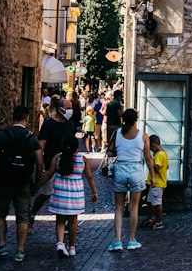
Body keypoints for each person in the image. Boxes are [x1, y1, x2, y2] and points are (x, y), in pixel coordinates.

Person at [0, 104, 43, 263]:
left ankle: (2, 245)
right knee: (23, 216)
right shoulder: (31, 138)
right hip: (23, 182)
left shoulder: (2, 136)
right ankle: (20, 250)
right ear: (26, 118)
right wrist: (37, 181)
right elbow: (39, 162)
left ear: (13, 117)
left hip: (4, 180)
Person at [41, 131, 97, 257]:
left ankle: (60, 244)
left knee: (60, 221)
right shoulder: (82, 159)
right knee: (73, 221)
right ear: (76, 148)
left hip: (60, 193)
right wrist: (94, 192)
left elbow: (49, 174)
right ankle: (72, 247)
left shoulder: (58, 158)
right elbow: (89, 176)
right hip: (75, 195)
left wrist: (37, 185)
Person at [106, 107, 154, 251]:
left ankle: (117, 240)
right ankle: (132, 240)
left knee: (119, 208)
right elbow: (148, 158)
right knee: (134, 207)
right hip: (136, 170)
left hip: (121, 169)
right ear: (136, 120)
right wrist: (152, 176)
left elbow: (110, 152)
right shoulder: (143, 135)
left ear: (123, 119)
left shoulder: (117, 133)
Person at [32, 96, 72, 219]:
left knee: (67, 196)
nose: (71, 110)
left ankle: (65, 221)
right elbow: (41, 145)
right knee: (46, 193)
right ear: (61, 109)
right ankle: (32, 214)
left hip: (66, 165)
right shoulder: (48, 124)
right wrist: (41, 162)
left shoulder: (70, 125)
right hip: (50, 164)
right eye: (68, 108)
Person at [141, 134, 168, 229]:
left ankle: (158, 221)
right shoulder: (163, 153)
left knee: (157, 203)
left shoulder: (159, 155)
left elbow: (157, 167)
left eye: (151, 148)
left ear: (153, 145)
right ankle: (150, 219)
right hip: (157, 183)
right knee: (151, 202)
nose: (151, 150)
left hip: (157, 183)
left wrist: (149, 159)